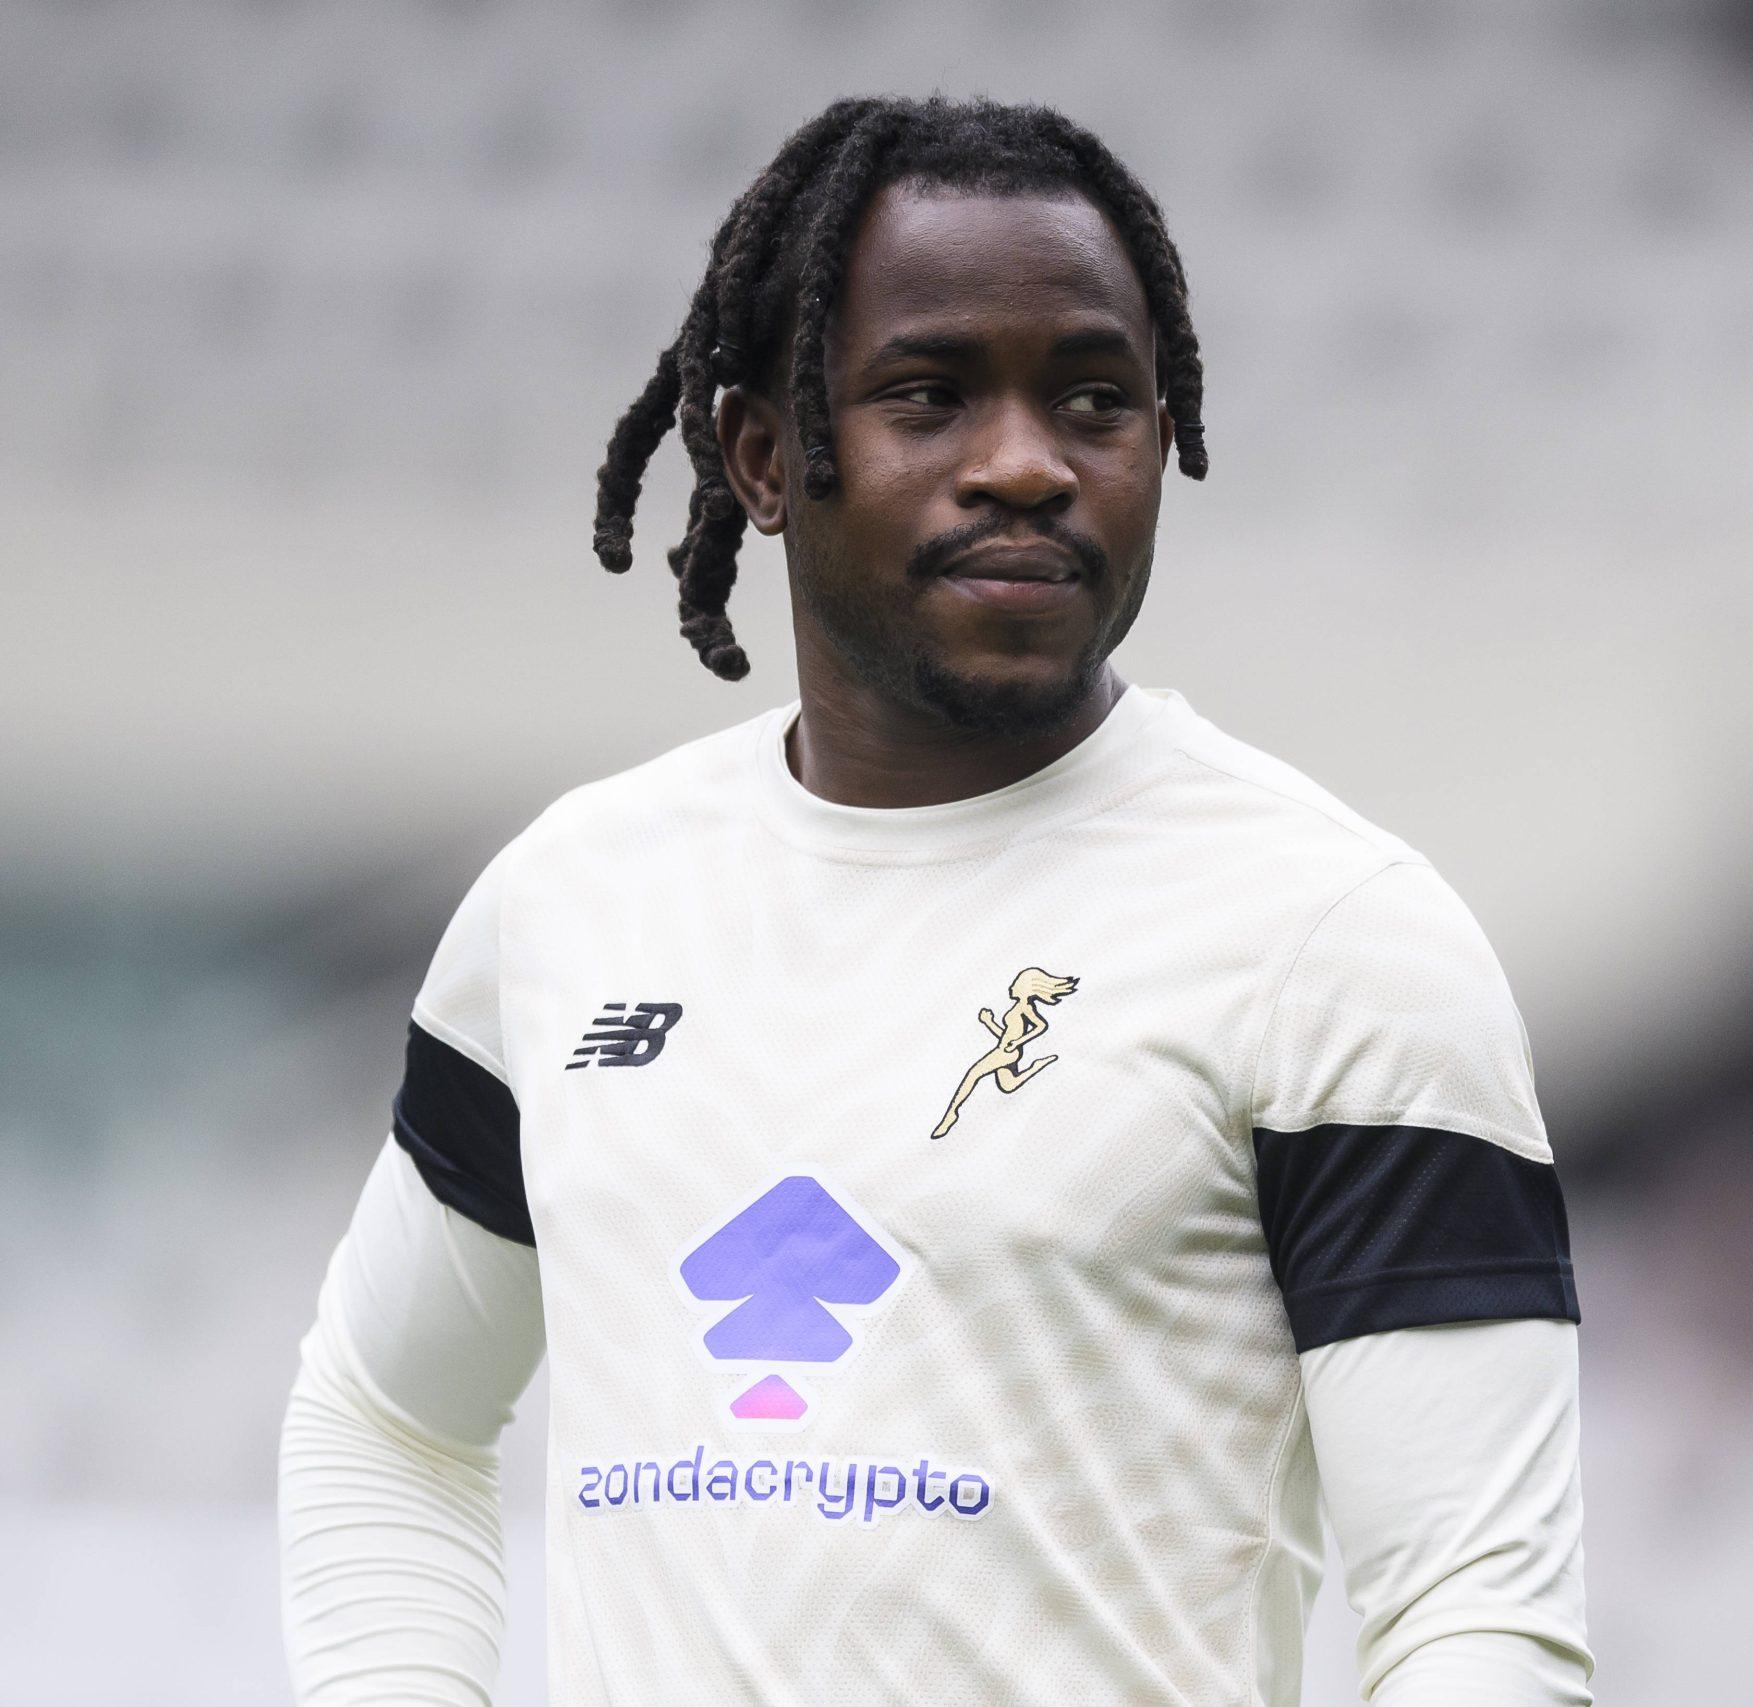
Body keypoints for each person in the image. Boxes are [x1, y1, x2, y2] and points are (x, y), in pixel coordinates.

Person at [278, 95, 1591, 1706]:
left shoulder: (1337, 942)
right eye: (931, 395)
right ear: (764, 458)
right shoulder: (570, 905)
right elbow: (389, 1417)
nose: (1028, 463)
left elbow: (1473, 1617)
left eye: (1095, 399)